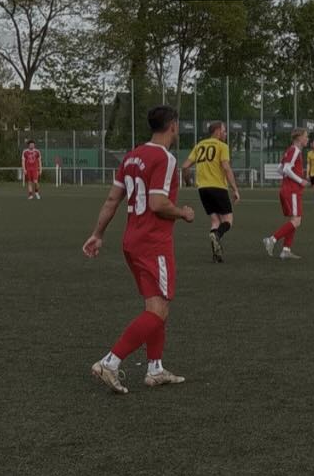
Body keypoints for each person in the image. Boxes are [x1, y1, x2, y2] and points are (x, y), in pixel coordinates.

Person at [82, 104, 194, 392]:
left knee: (155, 306)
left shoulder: (131, 156)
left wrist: (97, 234)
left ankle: (155, 369)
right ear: (173, 126)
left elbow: (112, 200)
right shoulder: (165, 158)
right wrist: (183, 213)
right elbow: (158, 204)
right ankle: (110, 362)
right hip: (153, 243)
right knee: (159, 309)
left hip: (131, 241)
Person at [183, 120, 240, 262]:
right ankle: (217, 235)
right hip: (218, 187)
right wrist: (235, 189)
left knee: (215, 221)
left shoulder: (199, 146)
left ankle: (216, 254)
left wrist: (188, 181)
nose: (225, 134)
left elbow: (185, 166)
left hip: (203, 189)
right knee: (228, 220)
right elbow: (226, 168)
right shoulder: (222, 146)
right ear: (218, 131)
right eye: (224, 131)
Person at [264, 128, 307, 259]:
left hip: (288, 190)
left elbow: (280, 169)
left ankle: (286, 250)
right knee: (297, 221)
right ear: (299, 138)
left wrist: (288, 178)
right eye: (306, 136)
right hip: (292, 190)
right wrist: (300, 180)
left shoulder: (290, 150)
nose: (307, 139)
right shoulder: (295, 150)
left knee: (294, 220)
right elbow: (287, 169)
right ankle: (271, 239)